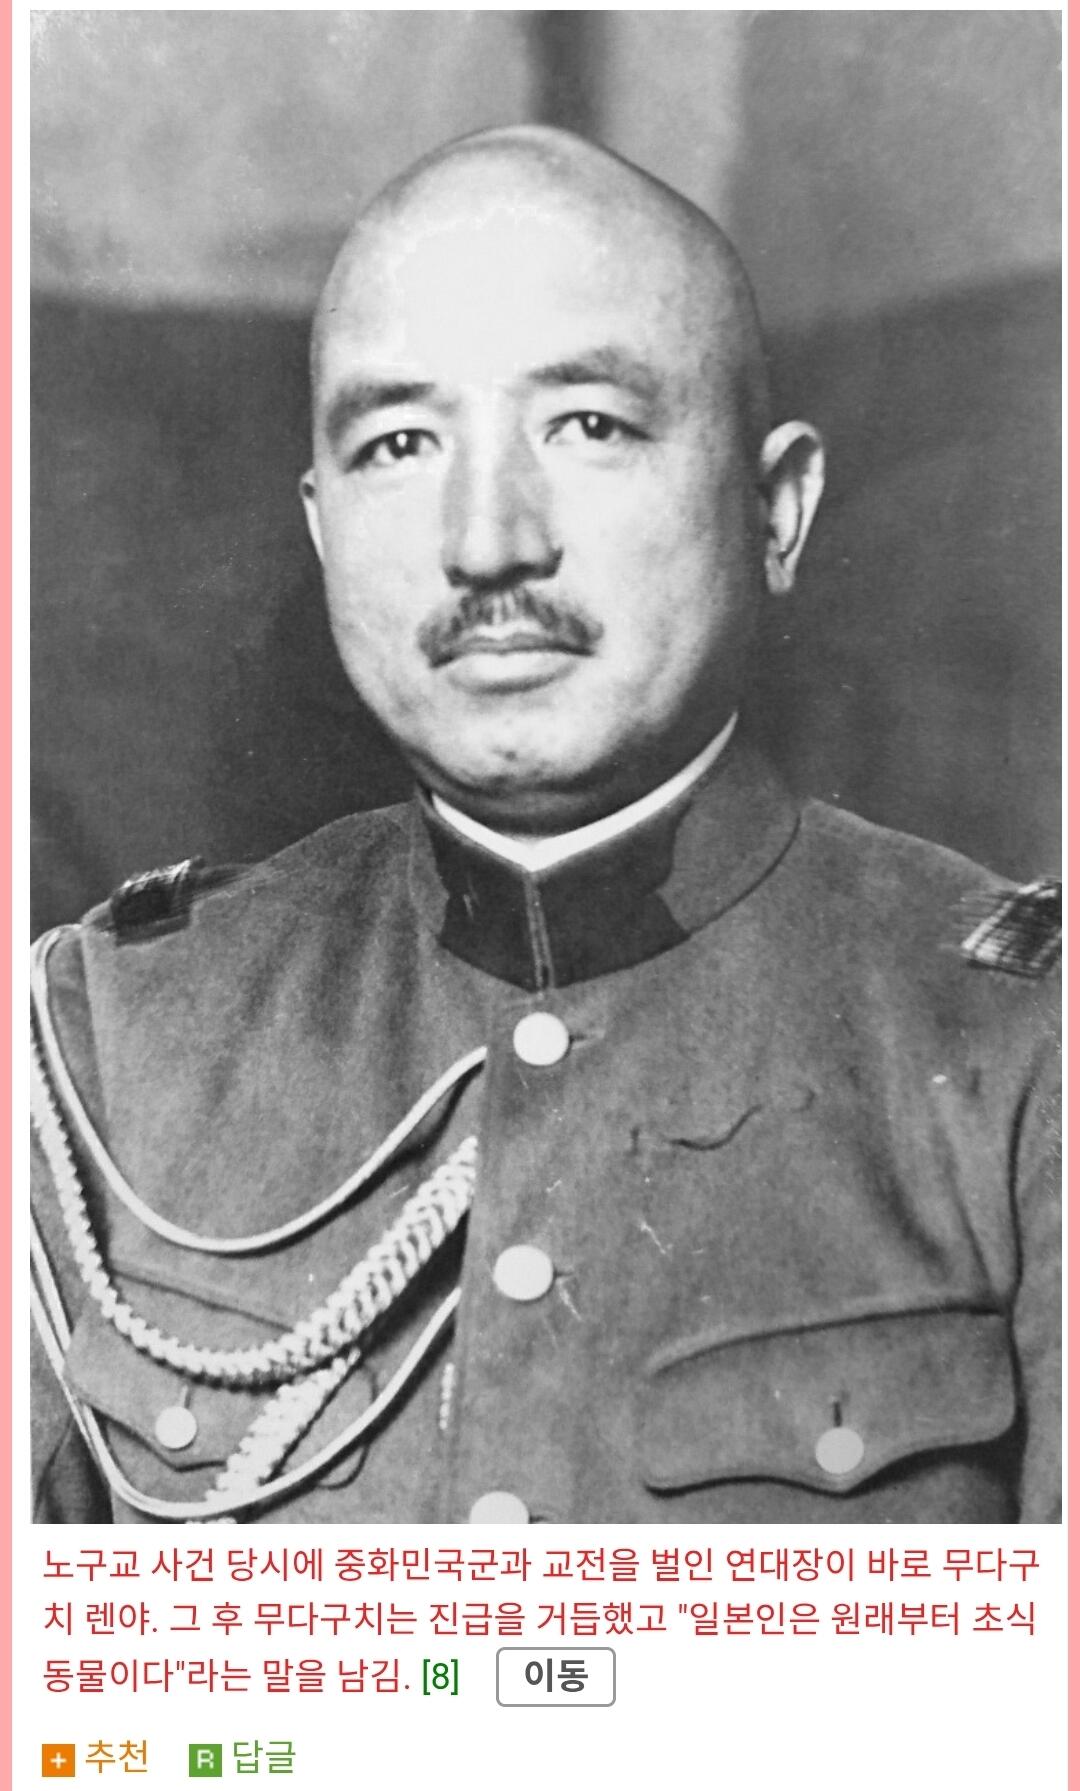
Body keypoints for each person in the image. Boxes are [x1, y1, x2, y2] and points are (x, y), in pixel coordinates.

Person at [30, 126, 1060, 1525]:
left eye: (589, 426)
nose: (489, 542)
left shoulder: (1024, 1050)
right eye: (401, 444)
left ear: (776, 511)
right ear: (325, 535)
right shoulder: (105, 1037)